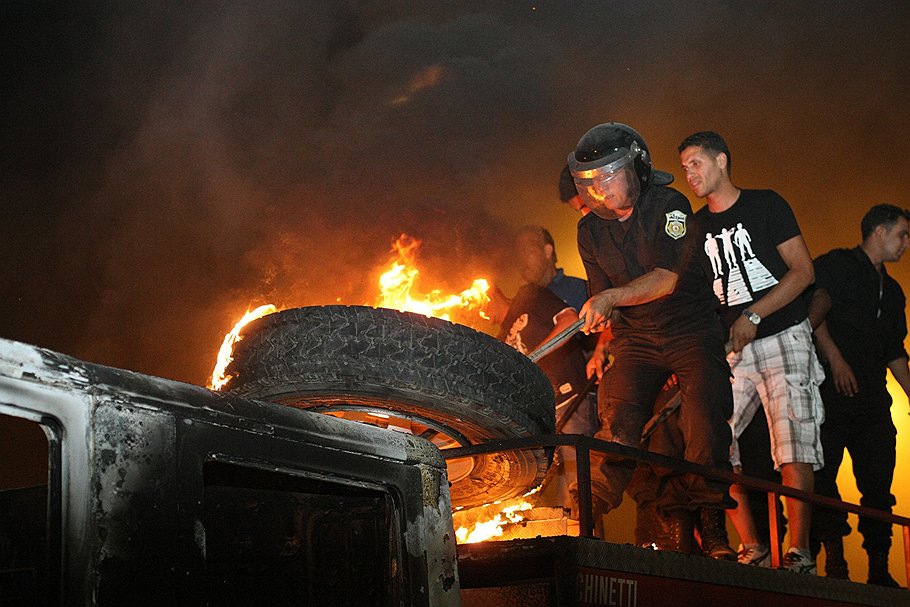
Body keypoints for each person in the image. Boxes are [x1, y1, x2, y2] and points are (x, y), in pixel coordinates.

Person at [568, 122, 735, 553]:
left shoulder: (673, 207)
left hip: (690, 330)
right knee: (617, 420)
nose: (600, 189)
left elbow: (665, 278)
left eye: (608, 175)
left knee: (704, 419)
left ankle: (712, 522)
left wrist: (610, 298)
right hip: (636, 340)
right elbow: (602, 300)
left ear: (637, 167)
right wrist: (599, 331)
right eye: (590, 182)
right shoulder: (589, 231)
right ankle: (584, 516)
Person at [679, 130, 824, 574]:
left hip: (784, 335)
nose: (689, 174)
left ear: (722, 160)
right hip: (731, 350)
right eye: (684, 167)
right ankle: (753, 549)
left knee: (794, 443)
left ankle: (797, 552)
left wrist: (755, 316)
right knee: (717, 441)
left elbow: (803, 272)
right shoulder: (696, 227)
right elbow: (693, 294)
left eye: (696, 163)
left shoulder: (766, 205)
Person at [808, 204, 910, 586]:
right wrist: (835, 360)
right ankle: (833, 561)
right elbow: (815, 311)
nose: (906, 244)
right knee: (821, 475)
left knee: (879, 482)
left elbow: (894, 350)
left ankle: (879, 568)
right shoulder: (838, 264)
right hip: (831, 395)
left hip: (872, 401)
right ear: (879, 232)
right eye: (902, 234)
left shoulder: (894, 291)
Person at [489, 227, 599, 514]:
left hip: (571, 397)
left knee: (578, 486)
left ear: (547, 250)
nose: (521, 263)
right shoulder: (522, 304)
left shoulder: (575, 289)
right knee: (542, 496)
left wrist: (599, 353)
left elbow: (603, 325)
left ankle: (584, 548)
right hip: (538, 414)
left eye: (527, 252)